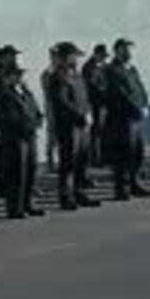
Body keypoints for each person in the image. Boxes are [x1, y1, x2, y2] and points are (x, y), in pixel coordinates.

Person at [0, 46, 45, 220]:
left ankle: (27, 203)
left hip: (30, 134)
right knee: (16, 173)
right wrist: (22, 127)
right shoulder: (4, 93)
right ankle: (15, 207)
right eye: (16, 74)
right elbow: (7, 116)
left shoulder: (24, 91)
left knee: (30, 170)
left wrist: (37, 121)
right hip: (15, 137)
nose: (20, 77)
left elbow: (34, 108)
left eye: (21, 74)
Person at [46, 43, 100, 210]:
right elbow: (62, 102)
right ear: (66, 56)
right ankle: (66, 196)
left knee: (81, 160)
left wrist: (88, 112)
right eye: (73, 55)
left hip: (82, 124)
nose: (76, 58)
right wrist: (79, 115)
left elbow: (83, 97)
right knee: (68, 161)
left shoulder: (76, 75)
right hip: (68, 125)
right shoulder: (58, 76)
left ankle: (79, 192)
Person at [104, 39, 150, 200]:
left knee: (137, 152)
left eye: (130, 50)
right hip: (122, 118)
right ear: (117, 51)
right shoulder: (112, 70)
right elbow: (120, 93)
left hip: (136, 118)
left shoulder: (132, 69)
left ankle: (134, 183)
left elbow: (140, 88)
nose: (129, 53)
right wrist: (136, 108)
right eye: (125, 50)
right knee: (124, 154)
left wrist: (145, 104)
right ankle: (121, 188)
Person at [81, 44, 111, 170]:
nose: (104, 59)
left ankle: (103, 156)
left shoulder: (103, 67)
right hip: (95, 103)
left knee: (104, 130)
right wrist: (105, 92)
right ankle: (95, 158)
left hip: (103, 103)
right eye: (102, 56)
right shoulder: (89, 67)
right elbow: (92, 86)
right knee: (96, 131)